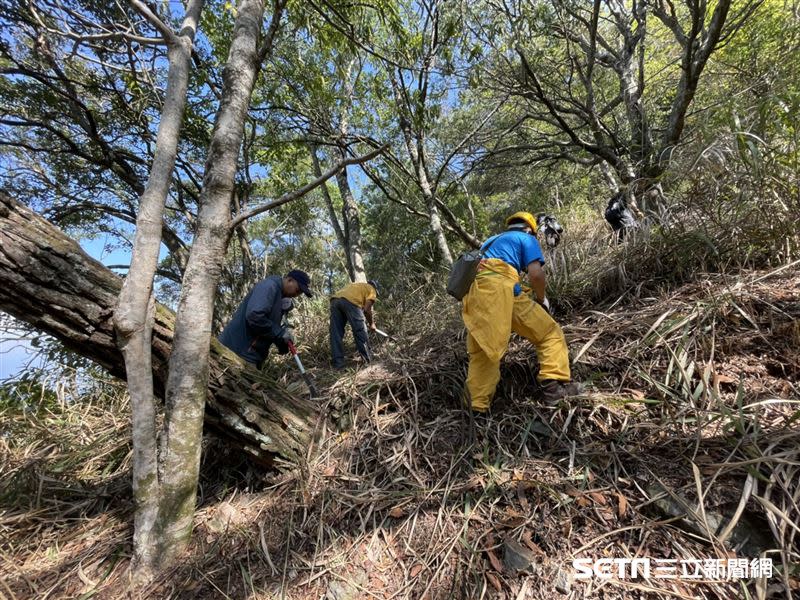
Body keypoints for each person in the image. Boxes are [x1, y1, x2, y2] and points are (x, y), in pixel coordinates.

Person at [462, 211, 581, 412]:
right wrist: (542, 298)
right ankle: (555, 389)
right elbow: (536, 274)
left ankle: (476, 408)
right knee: (548, 333)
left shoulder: (489, 242)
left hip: (475, 297)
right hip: (502, 293)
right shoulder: (525, 238)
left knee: (484, 351)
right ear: (530, 229)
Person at [218, 269, 313, 368]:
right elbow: (254, 316)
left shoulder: (281, 298)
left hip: (251, 355)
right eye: (297, 290)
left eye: (300, 293)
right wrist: (279, 333)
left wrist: (281, 342)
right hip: (237, 352)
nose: (296, 295)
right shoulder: (269, 286)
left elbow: (268, 327)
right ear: (289, 280)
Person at [329, 279, 379, 369]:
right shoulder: (372, 290)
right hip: (351, 302)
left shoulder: (357, 286)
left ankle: (338, 364)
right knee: (360, 330)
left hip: (335, 300)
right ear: (375, 288)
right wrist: (372, 323)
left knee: (335, 333)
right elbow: (367, 310)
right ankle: (368, 359)